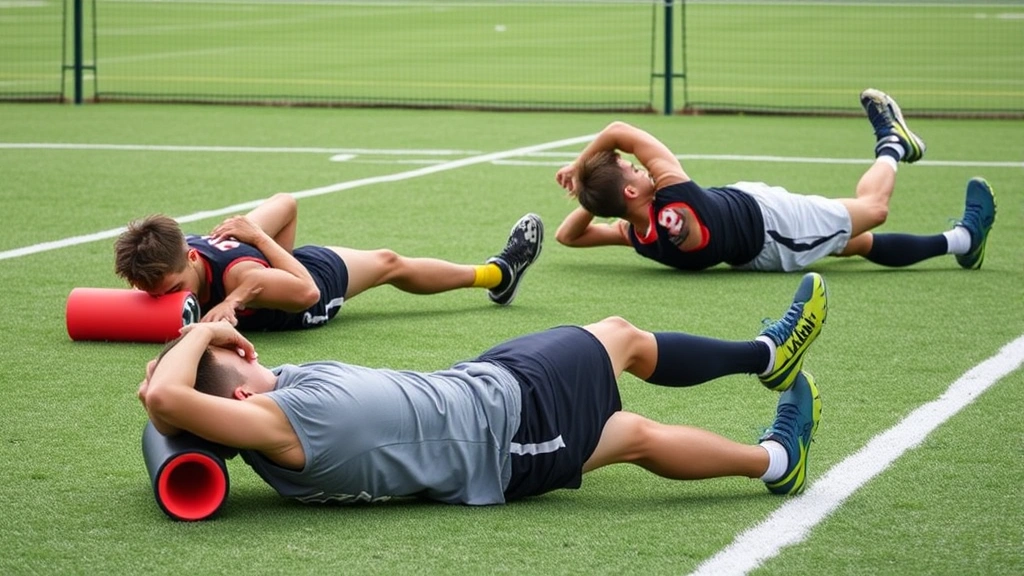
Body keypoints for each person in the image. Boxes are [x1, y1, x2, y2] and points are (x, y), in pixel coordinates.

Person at [137, 271, 828, 507]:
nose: (255, 355)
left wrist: (184, 353)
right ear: (236, 403)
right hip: (505, 422)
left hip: (486, 411)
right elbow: (167, 401)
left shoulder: (273, 414)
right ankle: (765, 357)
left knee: (634, 437)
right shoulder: (275, 424)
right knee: (618, 333)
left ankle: (776, 461)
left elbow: (162, 396)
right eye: (243, 357)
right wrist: (206, 330)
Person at [553, 88, 997, 273]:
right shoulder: (671, 189)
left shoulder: (636, 234)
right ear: (632, 191)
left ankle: (962, 240)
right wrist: (580, 170)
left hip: (754, 218)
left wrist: (594, 196)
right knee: (870, 216)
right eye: (633, 171)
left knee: (848, 236)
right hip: (775, 232)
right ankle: (894, 145)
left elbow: (568, 237)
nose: (640, 166)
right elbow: (618, 131)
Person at [114, 194, 543, 331]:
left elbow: (306, 292)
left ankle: (498, 274)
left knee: (389, 263)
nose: (165, 300)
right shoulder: (173, 258)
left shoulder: (238, 271)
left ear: (191, 257)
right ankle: (499, 274)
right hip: (284, 266)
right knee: (387, 261)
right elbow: (286, 205)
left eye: (172, 291)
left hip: (312, 287)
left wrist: (260, 251)